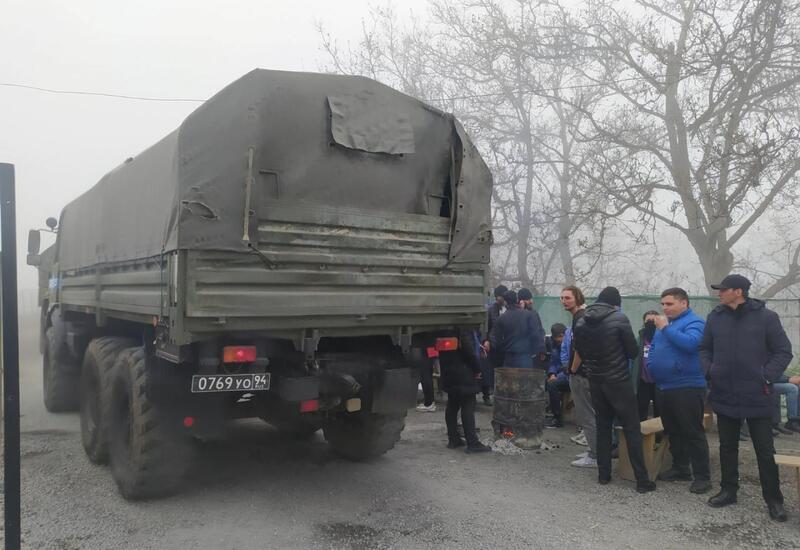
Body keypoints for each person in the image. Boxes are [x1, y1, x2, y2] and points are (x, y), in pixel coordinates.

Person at [700, 274, 793, 522]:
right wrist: (710, 370)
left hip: (757, 394)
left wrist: (765, 376)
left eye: (723, 289)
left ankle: (774, 500)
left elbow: (783, 351)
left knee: (765, 450)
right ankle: (728, 491)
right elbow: (704, 349)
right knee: (727, 446)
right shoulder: (715, 318)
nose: (719, 293)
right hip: (724, 392)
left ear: (738, 291)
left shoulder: (766, 318)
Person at [573, 286, 656, 493]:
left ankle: (604, 475)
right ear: (615, 304)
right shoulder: (619, 319)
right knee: (631, 428)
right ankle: (642, 480)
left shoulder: (581, 321)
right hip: (619, 382)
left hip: (596, 381)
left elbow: (580, 351)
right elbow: (633, 352)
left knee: (602, 426)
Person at [646, 288, 711, 494]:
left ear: (684, 303)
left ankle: (702, 477)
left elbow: (692, 344)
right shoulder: (665, 325)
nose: (665, 308)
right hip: (664, 385)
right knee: (672, 429)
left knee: (692, 431)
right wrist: (652, 366)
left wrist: (665, 328)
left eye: (669, 304)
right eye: (663, 304)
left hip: (687, 385)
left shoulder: (695, 322)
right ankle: (681, 468)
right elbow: (654, 347)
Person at [560, 286, 598, 468]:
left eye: (568, 297)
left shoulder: (580, 318)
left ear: (577, 298)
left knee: (587, 415)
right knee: (591, 415)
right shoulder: (585, 316)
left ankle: (595, 456)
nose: (564, 301)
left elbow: (580, 348)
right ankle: (594, 450)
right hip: (589, 373)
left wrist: (573, 369)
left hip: (582, 374)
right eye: (562, 298)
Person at [439, 327, 491, 453]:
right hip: (463, 372)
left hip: (449, 370)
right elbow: (469, 351)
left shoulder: (445, 327)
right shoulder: (463, 328)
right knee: (468, 405)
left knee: (452, 405)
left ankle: (453, 439)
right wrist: (477, 369)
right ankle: (472, 443)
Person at [490, 290, 545, 369]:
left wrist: (503, 349)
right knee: (525, 376)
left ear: (505, 302)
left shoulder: (501, 318)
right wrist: (537, 350)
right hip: (526, 356)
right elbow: (536, 334)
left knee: (510, 376)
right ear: (517, 300)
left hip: (509, 357)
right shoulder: (528, 315)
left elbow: (497, 339)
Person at [481, 285, 509, 404]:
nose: (500, 299)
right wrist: (486, 340)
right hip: (493, 344)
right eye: (498, 297)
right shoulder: (491, 309)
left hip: (506, 345)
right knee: (489, 370)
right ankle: (487, 394)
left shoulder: (509, 308)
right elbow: (486, 327)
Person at [632, 311, 661, 421]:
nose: (651, 323)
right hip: (643, 382)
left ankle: (661, 432)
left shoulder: (663, 338)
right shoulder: (639, 340)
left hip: (659, 382)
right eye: (648, 320)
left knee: (660, 412)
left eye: (653, 321)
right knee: (640, 411)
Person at [545, 323, 569, 428]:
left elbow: (568, 365)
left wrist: (558, 376)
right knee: (543, 381)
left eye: (561, 336)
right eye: (557, 337)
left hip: (569, 375)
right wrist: (552, 373)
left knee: (552, 385)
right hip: (559, 374)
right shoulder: (554, 345)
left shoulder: (569, 343)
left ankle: (557, 418)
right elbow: (553, 362)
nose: (559, 339)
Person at [518, 288, 546, 367]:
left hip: (534, 353)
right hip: (521, 354)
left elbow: (540, 330)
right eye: (528, 299)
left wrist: (542, 349)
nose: (531, 301)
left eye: (531, 298)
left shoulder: (534, 313)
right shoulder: (516, 314)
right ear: (521, 301)